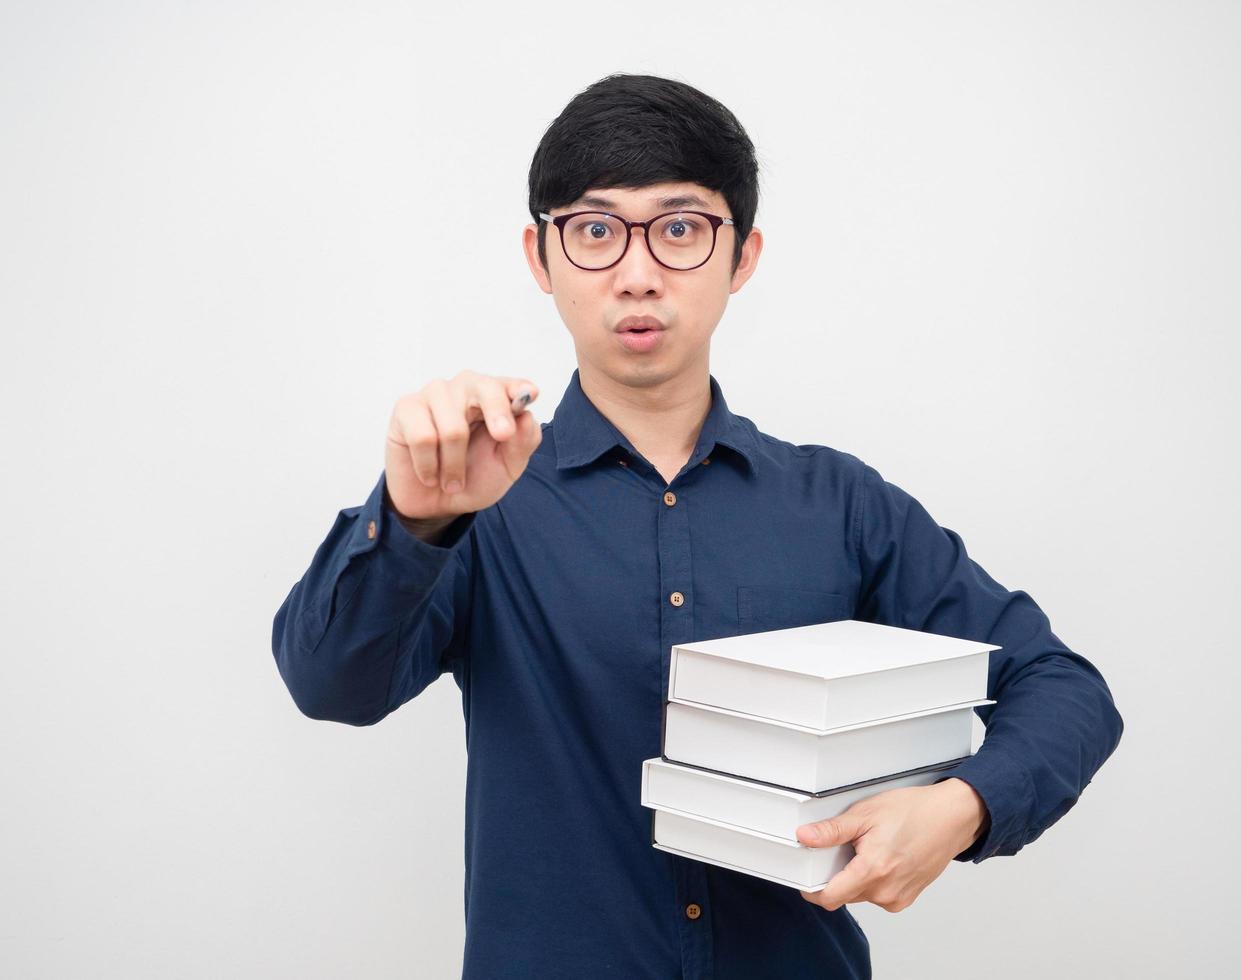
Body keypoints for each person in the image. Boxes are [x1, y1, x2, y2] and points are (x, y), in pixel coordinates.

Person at [271, 72, 1124, 980]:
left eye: (680, 229)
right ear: (541, 257)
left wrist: (961, 806)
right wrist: (413, 516)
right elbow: (331, 684)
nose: (637, 274)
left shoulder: (839, 503)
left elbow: (1063, 686)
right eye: (595, 231)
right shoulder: (480, 501)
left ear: (742, 255)